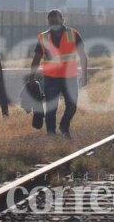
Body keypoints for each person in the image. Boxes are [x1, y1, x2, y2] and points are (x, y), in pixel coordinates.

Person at [29, 9, 88, 138]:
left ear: (62, 20)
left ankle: (64, 126)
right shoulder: (43, 37)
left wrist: (85, 75)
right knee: (51, 108)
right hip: (51, 78)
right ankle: (51, 134)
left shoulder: (73, 34)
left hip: (70, 78)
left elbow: (83, 56)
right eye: (51, 22)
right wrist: (31, 77)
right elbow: (37, 58)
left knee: (72, 106)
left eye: (56, 21)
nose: (54, 24)